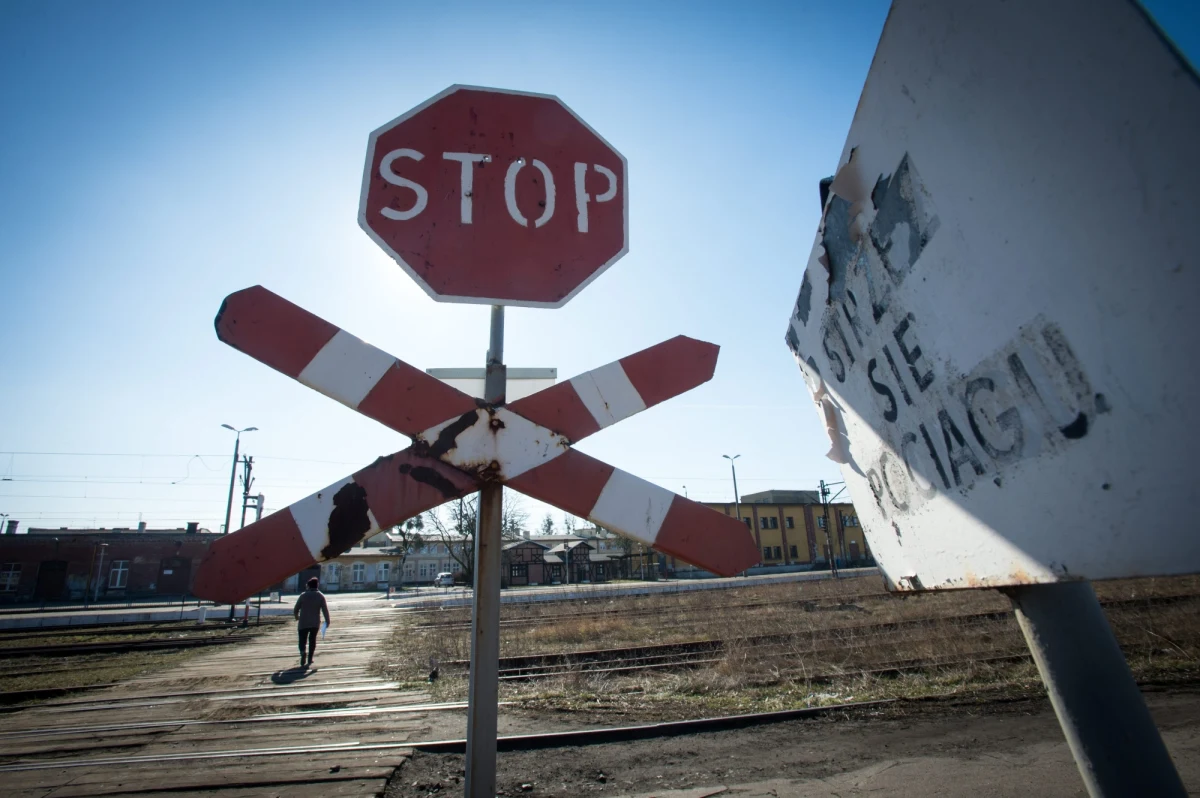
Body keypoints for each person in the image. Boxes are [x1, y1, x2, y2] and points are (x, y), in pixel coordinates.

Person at [292, 577, 330, 667]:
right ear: (317, 586)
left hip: (303, 622)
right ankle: (310, 658)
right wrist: (327, 620)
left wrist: (297, 617)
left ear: (308, 586)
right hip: (315, 623)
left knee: (302, 640)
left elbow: (296, 609)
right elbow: (325, 610)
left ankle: (302, 652)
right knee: (312, 640)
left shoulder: (303, 595)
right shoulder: (320, 596)